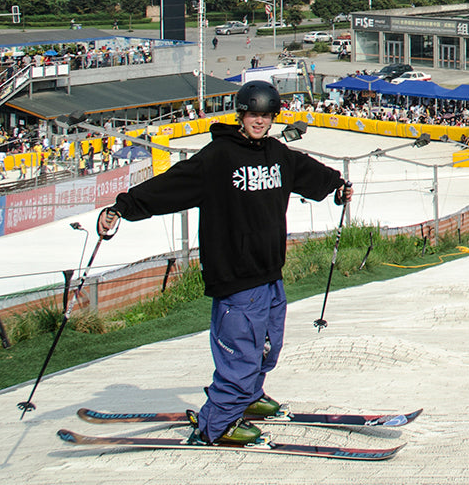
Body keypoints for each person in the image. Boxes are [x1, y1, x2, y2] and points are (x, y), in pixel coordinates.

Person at [97, 81, 352, 446]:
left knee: (268, 346)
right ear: (240, 114)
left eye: (266, 116)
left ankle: (248, 398)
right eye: (253, 115)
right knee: (241, 353)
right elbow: (170, 185)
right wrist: (123, 207)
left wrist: (338, 185)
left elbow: (311, 173)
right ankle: (217, 425)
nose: (259, 122)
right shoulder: (218, 157)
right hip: (235, 274)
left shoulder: (277, 154)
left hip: (269, 272)